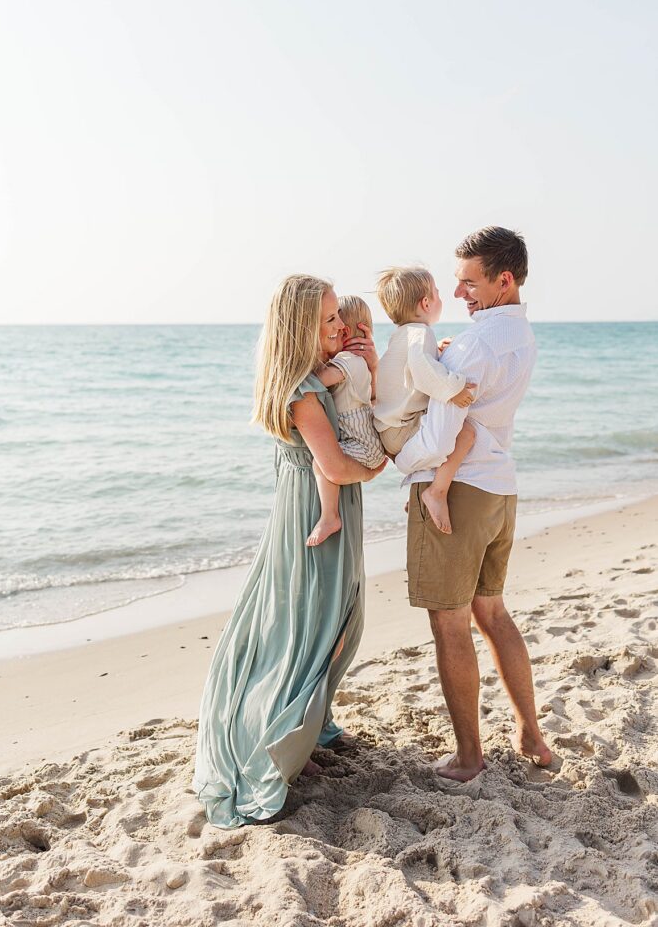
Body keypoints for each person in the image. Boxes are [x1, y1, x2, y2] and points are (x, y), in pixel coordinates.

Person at [193, 274, 386, 828]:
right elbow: (338, 466)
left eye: (338, 316)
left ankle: (310, 725)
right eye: (328, 319)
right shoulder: (301, 393)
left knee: (330, 618)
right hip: (312, 513)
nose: (341, 326)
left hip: (319, 506)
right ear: (301, 326)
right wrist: (379, 465)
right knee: (311, 624)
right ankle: (275, 738)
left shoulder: (308, 378)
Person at [396, 227, 552, 781]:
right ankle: (532, 735)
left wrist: (416, 473)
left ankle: (468, 756)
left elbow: (444, 429)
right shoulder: (521, 334)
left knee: (450, 624)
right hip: (500, 487)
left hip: (458, 489)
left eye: (469, 282)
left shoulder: (474, 343)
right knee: (493, 613)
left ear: (503, 279)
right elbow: (474, 395)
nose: (460, 293)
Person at [373, 266, 476, 533]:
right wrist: (454, 389)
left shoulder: (404, 335)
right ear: (426, 302)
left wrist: (435, 350)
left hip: (389, 430)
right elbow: (421, 366)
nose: (442, 299)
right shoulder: (421, 333)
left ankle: (418, 493)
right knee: (465, 434)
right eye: (438, 294)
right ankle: (436, 493)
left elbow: (413, 364)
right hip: (403, 428)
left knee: (441, 437)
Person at [308, 295, 386, 547]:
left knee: (322, 463)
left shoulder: (348, 361)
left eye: (339, 325)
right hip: (364, 439)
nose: (335, 329)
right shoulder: (357, 361)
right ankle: (330, 516)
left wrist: (301, 367)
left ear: (349, 331)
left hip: (361, 442)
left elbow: (319, 379)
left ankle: (330, 517)